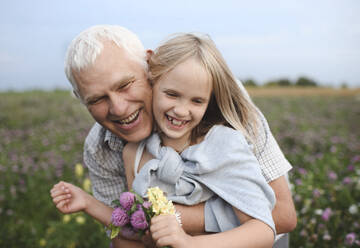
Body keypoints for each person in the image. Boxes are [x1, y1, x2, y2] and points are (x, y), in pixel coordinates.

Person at [52, 25, 296, 247]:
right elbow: (130, 232)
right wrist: (90, 205)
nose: (118, 108)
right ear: (80, 99)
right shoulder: (118, 151)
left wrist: (174, 221)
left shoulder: (228, 110)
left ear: (149, 65)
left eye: (124, 85)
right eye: (97, 99)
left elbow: (281, 217)